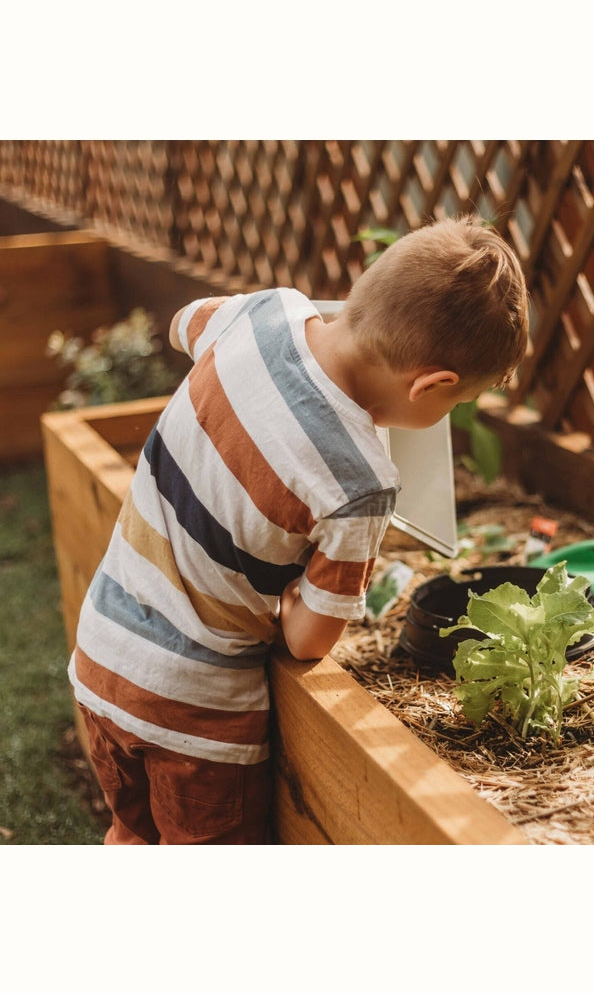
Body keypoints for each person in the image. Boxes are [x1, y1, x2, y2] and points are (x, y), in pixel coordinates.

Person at [69, 214, 530, 844]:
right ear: (432, 384)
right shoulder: (360, 481)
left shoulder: (265, 312)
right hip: (193, 714)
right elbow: (310, 640)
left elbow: (186, 321)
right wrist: (287, 600)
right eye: (455, 404)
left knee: (131, 833)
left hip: (100, 657)